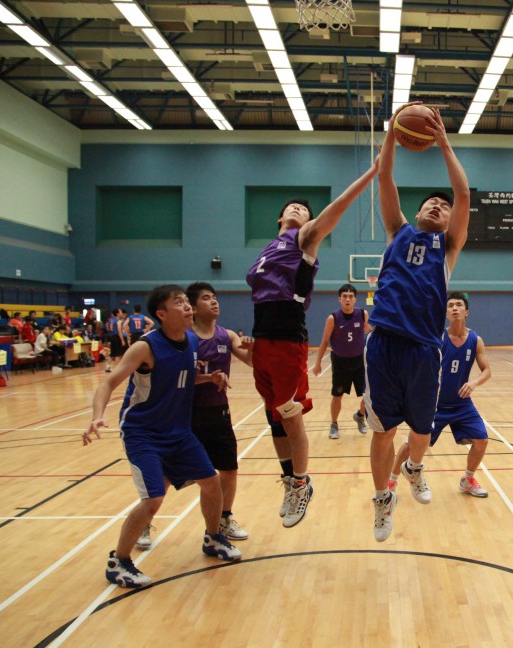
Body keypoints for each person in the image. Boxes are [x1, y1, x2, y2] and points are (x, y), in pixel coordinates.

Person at [246, 157, 379, 528]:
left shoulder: (303, 239)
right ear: (279, 217)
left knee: (290, 417)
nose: (297, 209)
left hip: (287, 338)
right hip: (263, 337)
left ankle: (302, 484)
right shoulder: (268, 249)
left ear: (310, 221)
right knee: (274, 419)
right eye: (291, 206)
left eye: (304, 209)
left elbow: (338, 206)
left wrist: (371, 174)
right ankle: (289, 478)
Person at [82, 285, 241, 588]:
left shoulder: (191, 341)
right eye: (178, 302)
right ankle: (119, 561)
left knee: (211, 483)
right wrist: (96, 415)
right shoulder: (145, 347)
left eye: (187, 301)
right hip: (143, 433)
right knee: (153, 499)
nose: (187, 306)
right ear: (162, 314)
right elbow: (108, 382)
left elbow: (183, 377)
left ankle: (213, 538)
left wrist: (208, 377)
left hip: (178, 431)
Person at [366, 102, 470, 542]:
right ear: (419, 210)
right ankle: (382, 500)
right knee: (383, 430)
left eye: (443, 207)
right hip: (385, 343)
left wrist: (444, 144)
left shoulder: (448, 248)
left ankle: (413, 467)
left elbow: (463, 195)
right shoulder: (398, 230)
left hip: (426, 349)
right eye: (431, 202)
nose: (438, 206)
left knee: (421, 431)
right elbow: (385, 176)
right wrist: (392, 132)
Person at [390, 292, 492, 498]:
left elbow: (487, 371)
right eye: (450, 305)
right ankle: (390, 482)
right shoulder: (437, 338)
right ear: (445, 313)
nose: (454, 308)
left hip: (462, 403)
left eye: (459, 305)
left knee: (481, 440)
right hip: (434, 404)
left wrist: (474, 382)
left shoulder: (476, 340)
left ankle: (467, 480)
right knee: (412, 445)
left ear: (466, 312)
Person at [183, 281, 253, 543]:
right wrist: (206, 378)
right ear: (192, 307)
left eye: (214, 297)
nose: (213, 301)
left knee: (228, 469)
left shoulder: (227, 336)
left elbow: (251, 362)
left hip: (218, 412)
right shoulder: (183, 338)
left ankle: (224, 519)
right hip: (186, 413)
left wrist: (253, 350)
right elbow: (175, 377)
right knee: (169, 473)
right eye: (206, 298)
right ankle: (146, 519)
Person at [311, 284, 369, 440]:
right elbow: (324, 342)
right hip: (340, 362)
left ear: (355, 299)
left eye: (351, 296)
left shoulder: (362, 314)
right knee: (337, 395)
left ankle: (360, 416)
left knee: (368, 395)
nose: (347, 299)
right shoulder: (333, 318)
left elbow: (368, 332)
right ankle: (334, 424)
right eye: (345, 296)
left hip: (359, 361)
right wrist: (318, 363)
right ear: (339, 299)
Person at [105, 308, 129, 373]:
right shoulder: (118, 321)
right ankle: (118, 369)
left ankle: (107, 366)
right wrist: (122, 340)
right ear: (117, 313)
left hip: (112, 337)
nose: (121, 313)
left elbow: (107, 328)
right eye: (120, 312)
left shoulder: (110, 320)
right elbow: (119, 330)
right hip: (117, 337)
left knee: (112, 353)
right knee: (118, 354)